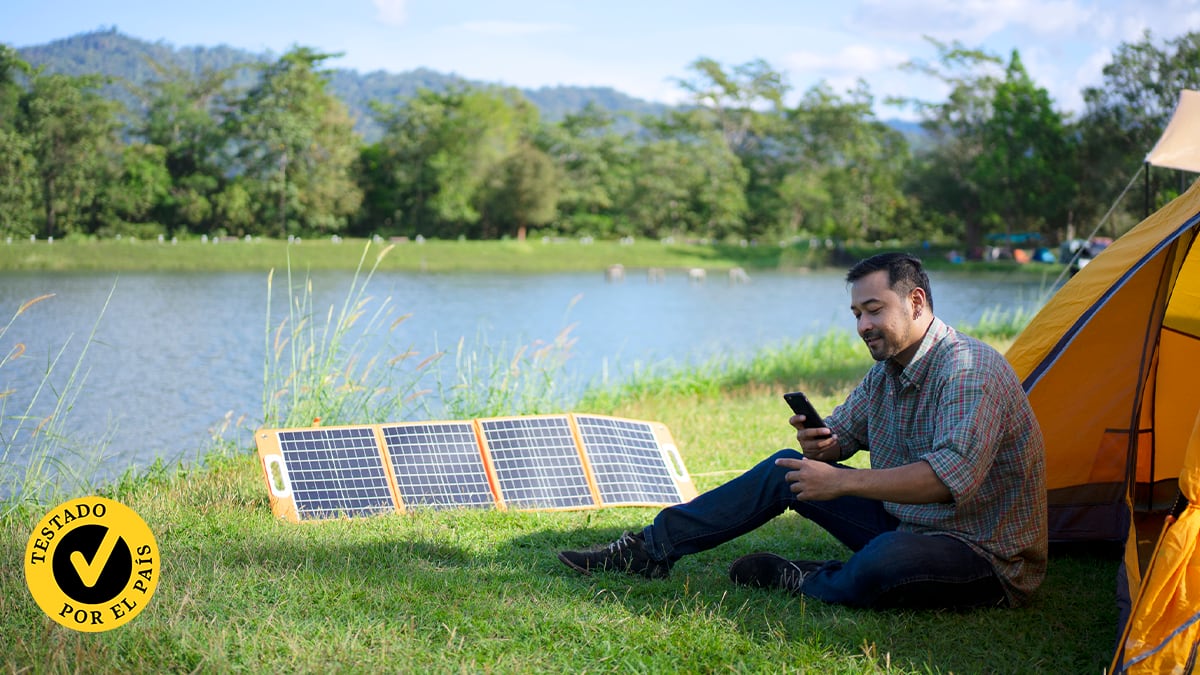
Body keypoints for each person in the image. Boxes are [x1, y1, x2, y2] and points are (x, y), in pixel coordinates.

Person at [557, 252, 1047, 610]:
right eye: (857, 314)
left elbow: (946, 480)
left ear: (915, 302)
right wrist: (824, 446)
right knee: (784, 469)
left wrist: (843, 481)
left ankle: (806, 579)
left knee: (886, 559)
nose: (863, 326)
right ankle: (650, 550)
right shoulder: (887, 371)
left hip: (982, 552)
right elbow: (841, 434)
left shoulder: (969, 370)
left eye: (874, 310)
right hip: (907, 522)